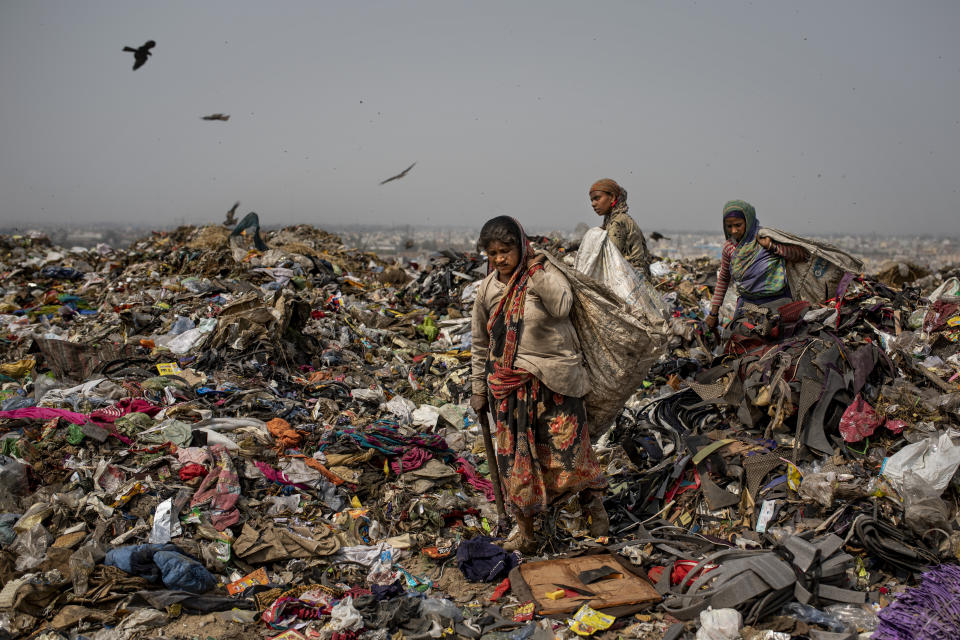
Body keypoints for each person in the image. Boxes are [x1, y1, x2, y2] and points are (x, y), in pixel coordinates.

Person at [470, 216, 609, 553]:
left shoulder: (543, 273)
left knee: (571, 456)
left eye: (506, 251)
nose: (500, 259)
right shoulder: (488, 288)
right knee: (515, 464)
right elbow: (480, 342)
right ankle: (527, 530)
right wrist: (477, 389)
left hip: (556, 383)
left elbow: (562, 306)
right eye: (493, 253)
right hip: (509, 388)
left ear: (522, 246)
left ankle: (595, 513)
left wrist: (535, 271)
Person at [705, 200, 809, 330]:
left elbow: (800, 255)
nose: (734, 231)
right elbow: (724, 279)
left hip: (778, 302)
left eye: (738, 225)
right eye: (729, 226)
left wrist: (771, 246)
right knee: (737, 341)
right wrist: (713, 314)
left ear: (748, 221)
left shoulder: (766, 237)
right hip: (748, 305)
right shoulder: (729, 248)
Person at [588, 178, 653, 278]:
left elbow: (609, 257)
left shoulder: (618, 221)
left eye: (597, 198)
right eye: (592, 200)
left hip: (632, 279)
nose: (593, 204)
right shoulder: (613, 219)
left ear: (612, 197)